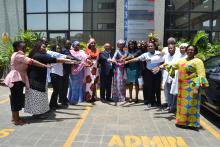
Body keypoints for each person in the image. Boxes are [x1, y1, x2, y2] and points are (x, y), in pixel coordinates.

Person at [25, 41, 76, 118]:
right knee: (37, 96)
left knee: (39, 96)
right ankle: (37, 114)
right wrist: (69, 60)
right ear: (38, 48)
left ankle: (39, 113)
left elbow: (52, 59)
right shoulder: (38, 55)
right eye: (43, 46)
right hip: (36, 80)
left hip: (38, 79)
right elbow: (54, 60)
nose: (45, 48)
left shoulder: (38, 55)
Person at [162, 45, 208, 130]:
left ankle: (192, 124)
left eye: (192, 50)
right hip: (182, 89)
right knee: (181, 106)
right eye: (188, 50)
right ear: (186, 51)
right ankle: (182, 122)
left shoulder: (198, 61)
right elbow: (171, 66)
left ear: (195, 52)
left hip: (192, 87)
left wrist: (197, 88)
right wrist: (161, 66)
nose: (190, 51)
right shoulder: (182, 61)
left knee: (192, 106)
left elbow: (201, 75)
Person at [4, 41, 49, 125]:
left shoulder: (17, 54)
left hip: (17, 79)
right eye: (23, 46)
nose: (25, 47)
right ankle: (15, 120)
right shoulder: (18, 55)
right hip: (16, 79)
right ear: (18, 47)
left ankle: (15, 117)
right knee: (16, 99)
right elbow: (31, 61)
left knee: (16, 98)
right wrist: (45, 65)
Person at [125, 41, 163, 107]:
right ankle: (151, 102)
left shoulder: (159, 53)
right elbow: (137, 59)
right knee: (150, 88)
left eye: (151, 46)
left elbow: (163, 61)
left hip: (157, 72)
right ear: (147, 47)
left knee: (157, 87)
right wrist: (127, 61)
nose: (150, 47)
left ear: (154, 47)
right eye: (148, 46)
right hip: (149, 72)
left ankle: (158, 103)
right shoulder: (145, 54)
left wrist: (159, 67)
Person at [60, 40, 80, 106]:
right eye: (68, 44)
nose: (69, 45)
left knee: (64, 86)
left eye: (70, 44)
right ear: (64, 44)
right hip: (64, 71)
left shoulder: (66, 50)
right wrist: (78, 59)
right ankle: (63, 100)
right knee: (64, 86)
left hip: (65, 70)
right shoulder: (65, 50)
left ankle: (62, 99)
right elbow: (70, 57)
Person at [47, 45, 68, 110]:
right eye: (57, 48)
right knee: (56, 90)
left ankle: (54, 104)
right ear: (54, 49)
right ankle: (51, 105)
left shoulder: (59, 55)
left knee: (57, 90)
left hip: (58, 74)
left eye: (59, 48)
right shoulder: (53, 55)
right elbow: (65, 60)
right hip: (54, 74)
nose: (59, 49)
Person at [162, 44, 180, 112]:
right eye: (169, 48)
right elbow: (165, 64)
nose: (170, 49)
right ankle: (169, 105)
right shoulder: (166, 56)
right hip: (167, 76)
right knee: (168, 92)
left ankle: (173, 106)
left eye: (171, 48)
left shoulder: (178, 56)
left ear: (175, 49)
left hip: (175, 76)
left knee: (174, 92)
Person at [112, 40, 128, 105]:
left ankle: (122, 96)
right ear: (118, 45)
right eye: (120, 44)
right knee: (118, 82)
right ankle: (117, 97)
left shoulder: (125, 52)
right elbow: (113, 59)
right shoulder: (117, 52)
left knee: (123, 82)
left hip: (123, 69)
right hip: (118, 69)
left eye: (122, 44)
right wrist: (118, 62)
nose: (121, 45)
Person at [84, 38, 100, 102]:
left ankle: (94, 96)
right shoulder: (87, 50)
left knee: (95, 82)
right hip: (89, 69)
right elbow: (85, 59)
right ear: (89, 43)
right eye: (91, 43)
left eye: (94, 43)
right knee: (89, 82)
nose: (93, 44)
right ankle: (88, 97)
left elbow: (99, 59)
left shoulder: (98, 50)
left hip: (96, 69)